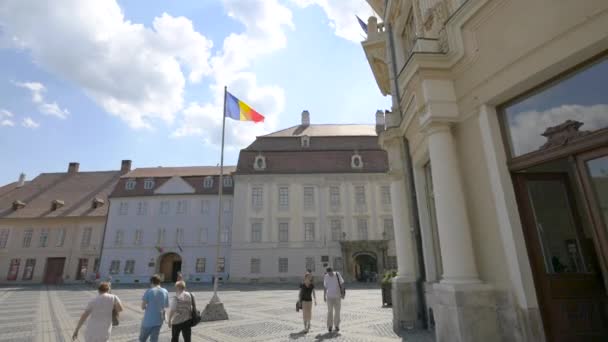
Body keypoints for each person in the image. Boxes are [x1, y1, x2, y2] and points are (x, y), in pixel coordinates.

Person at [140, 275, 169, 342]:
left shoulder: (149, 291)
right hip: (159, 320)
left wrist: (147, 307)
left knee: (142, 339)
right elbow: (165, 306)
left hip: (148, 320)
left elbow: (142, 306)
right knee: (154, 340)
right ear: (159, 282)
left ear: (152, 282)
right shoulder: (165, 291)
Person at [323, 267, 344, 333]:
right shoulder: (326, 276)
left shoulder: (337, 274)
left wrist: (343, 293)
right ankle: (330, 326)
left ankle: (337, 325)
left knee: (337, 311)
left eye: (330, 273)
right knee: (330, 311)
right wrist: (324, 295)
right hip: (329, 296)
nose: (330, 274)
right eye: (328, 273)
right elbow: (325, 286)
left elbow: (342, 284)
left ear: (332, 271)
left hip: (337, 296)